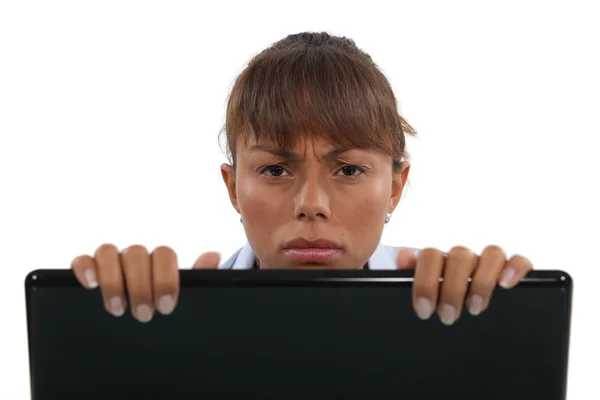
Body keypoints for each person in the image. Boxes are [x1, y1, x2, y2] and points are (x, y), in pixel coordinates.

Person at [70, 31, 533, 327]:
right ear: (233, 188)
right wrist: (118, 336)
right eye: (275, 170)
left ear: (394, 186)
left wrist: (499, 327)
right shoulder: (168, 313)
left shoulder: (461, 303)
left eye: (349, 170)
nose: (312, 204)